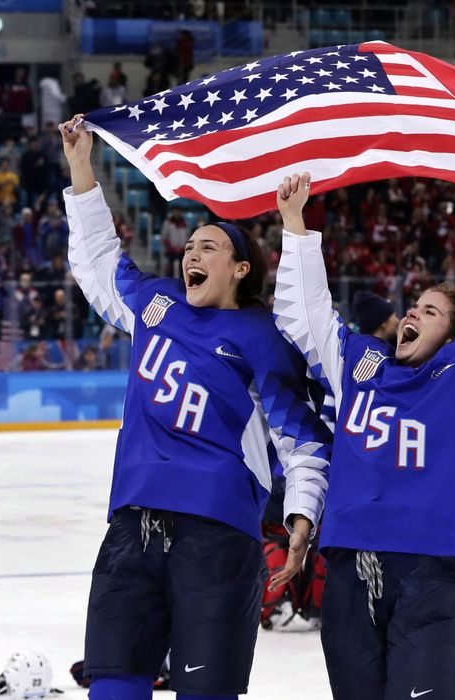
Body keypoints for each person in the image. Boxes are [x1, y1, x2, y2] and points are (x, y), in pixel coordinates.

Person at [273, 172, 455, 700]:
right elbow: (305, 316)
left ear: (454, 334)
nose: (412, 311)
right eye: (414, 306)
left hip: (434, 571)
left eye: (430, 311)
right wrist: (296, 228)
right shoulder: (360, 364)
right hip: (350, 568)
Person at [60, 116, 331, 700]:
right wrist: (82, 167)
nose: (192, 252)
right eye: (190, 245)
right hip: (132, 527)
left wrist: (302, 519)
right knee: (112, 686)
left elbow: (302, 441)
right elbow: (98, 262)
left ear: (239, 268)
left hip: (217, 539)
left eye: (209, 245)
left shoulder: (262, 336)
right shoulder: (157, 305)